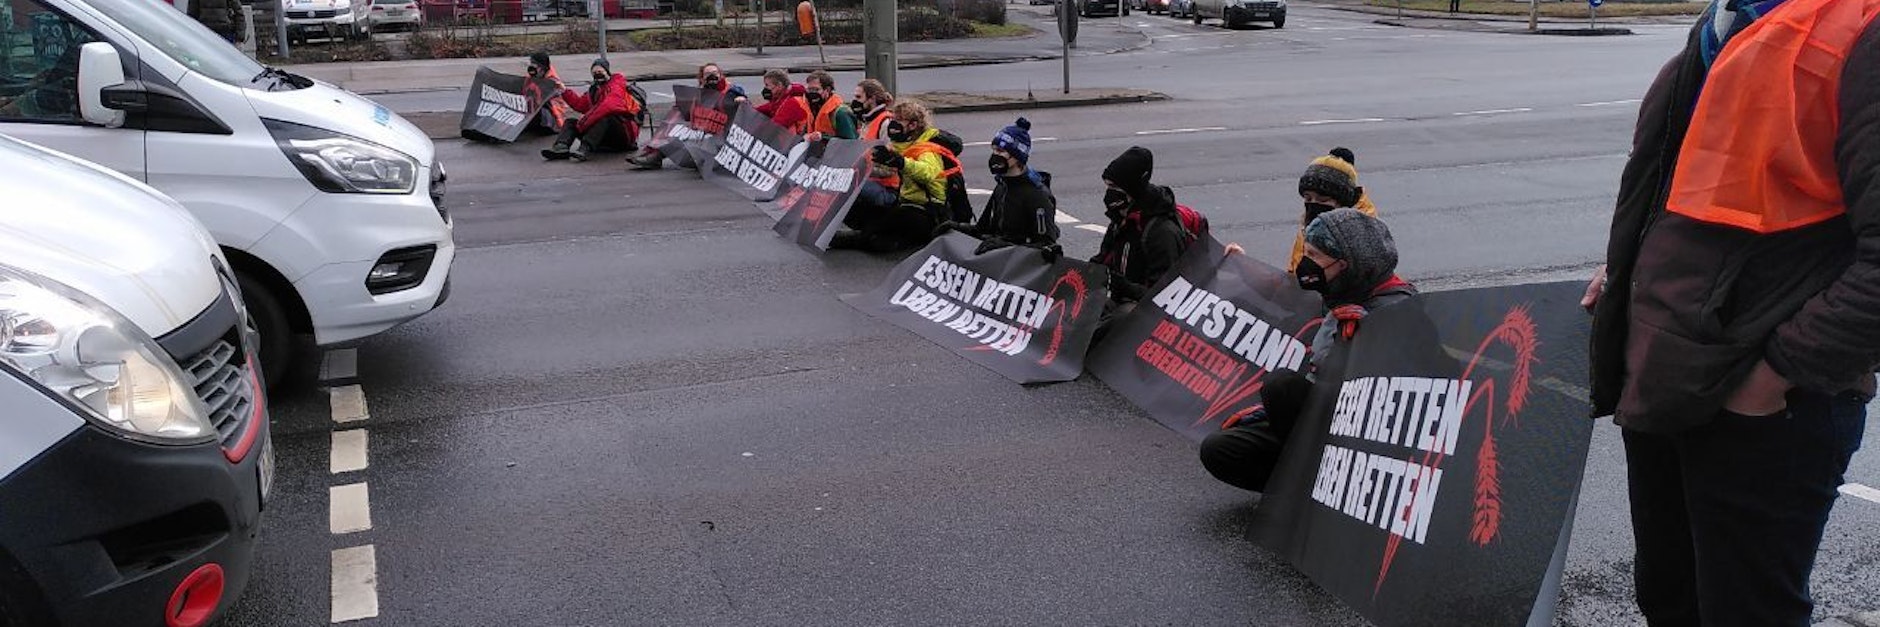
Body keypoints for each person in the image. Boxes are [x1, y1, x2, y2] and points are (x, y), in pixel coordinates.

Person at [1581, 0, 1877, 625]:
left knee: (1746, 613)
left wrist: (1771, 380)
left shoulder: (1861, 26)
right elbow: (1696, 192)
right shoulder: (1727, 21)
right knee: (1669, 598)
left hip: (1767, 406)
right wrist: (1630, 272)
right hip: (1670, 377)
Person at [1200, 209, 1417, 492]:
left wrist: (1364, 340)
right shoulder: (1341, 293)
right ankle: (1305, 489)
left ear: (1346, 263)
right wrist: (1267, 415)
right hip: (1321, 423)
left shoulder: (1398, 310)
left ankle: (1333, 489)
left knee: (1280, 386)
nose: (1305, 263)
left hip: (1364, 437)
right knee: (1220, 449)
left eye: (1314, 256)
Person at [830, 100, 956, 253]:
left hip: (928, 210)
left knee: (890, 223)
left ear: (913, 125)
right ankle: (877, 236)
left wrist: (901, 162)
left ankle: (856, 238)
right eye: (893, 120)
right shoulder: (902, 145)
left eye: (898, 121)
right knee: (859, 209)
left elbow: (927, 173)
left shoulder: (927, 149)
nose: (893, 124)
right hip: (904, 202)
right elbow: (886, 167)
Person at [935, 117, 1059, 258]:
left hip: (1015, 268)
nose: (995, 156)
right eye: (993, 150)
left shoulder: (1036, 194)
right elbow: (982, 228)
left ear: (1017, 156)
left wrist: (1006, 246)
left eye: (1000, 151)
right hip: (996, 262)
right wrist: (955, 227)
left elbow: (1046, 244)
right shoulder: (1002, 187)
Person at [1091, 146, 1187, 314]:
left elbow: (1165, 295)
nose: (1109, 193)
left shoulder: (1162, 232)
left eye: (1114, 187)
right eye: (1107, 186)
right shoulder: (1120, 219)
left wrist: (1124, 287)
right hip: (1120, 301)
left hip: (1146, 314)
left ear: (1132, 189)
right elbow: (1100, 262)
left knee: (1119, 317)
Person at [627, 62, 746, 170]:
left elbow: (743, 104)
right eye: (708, 74)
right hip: (702, 136)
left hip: (720, 138)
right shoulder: (700, 94)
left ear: (720, 75)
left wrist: (740, 99)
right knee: (675, 127)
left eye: (714, 73)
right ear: (702, 78)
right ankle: (654, 153)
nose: (712, 76)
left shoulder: (731, 91)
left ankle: (655, 154)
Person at [1289, 147, 1378, 272]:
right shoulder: (1309, 223)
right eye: (1308, 199)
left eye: (1323, 200)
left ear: (1343, 202)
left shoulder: (1359, 234)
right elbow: (1297, 263)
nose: (1313, 205)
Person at [542, 59, 642, 162]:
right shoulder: (594, 90)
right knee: (571, 122)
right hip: (604, 137)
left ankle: (584, 149)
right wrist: (564, 91)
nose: (597, 75)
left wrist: (584, 123)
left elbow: (608, 107)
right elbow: (580, 105)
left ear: (607, 72)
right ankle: (561, 147)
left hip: (623, 137)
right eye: (594, 73)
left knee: (605, 118)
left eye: (600, 72)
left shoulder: (616, 85)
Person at [802, 70, 858, 142]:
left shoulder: (841, 113)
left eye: (816, 90)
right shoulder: (812, 109)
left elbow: (850, 142)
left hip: (835, 152)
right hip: (818, 151)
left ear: (827, 90)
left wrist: (823, 137)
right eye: (809, 89)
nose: (812, 93)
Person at [523, 53, 572, 135]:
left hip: (553, 112)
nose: (532, 66)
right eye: (531, 62)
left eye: (534, 64)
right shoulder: (533, 75)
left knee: (540, 110)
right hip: (537, 107)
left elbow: (546, 98)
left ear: (542, 67)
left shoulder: (553, 81)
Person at [754, 69, 811, 134]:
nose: (765, 88)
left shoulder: (793, 102)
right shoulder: (781, 96)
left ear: (779, 85)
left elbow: (776, 125)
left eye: (767, 85)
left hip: (796, 139)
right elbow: (767, 108)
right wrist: (746, 106)